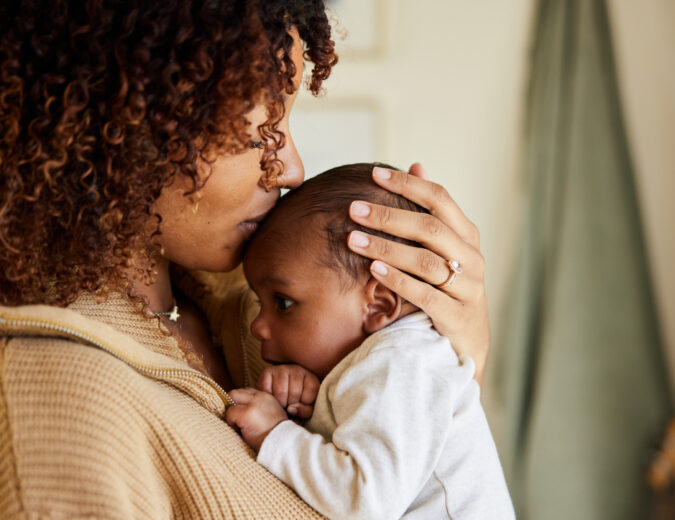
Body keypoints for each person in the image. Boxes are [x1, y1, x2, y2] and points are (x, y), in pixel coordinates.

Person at [0, 1, 491, 518]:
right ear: (118, 124)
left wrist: (459, 347)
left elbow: (420, 481)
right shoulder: (53, 416)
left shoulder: (277, 297)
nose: (291, 168)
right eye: (257, 133)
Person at [225, 163, 515, 520]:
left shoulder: (401, 362)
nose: (257, 327)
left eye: (283, 303)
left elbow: (365, 501)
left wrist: (276, 433)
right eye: (259, 302)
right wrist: (314, 410)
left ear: (379, 304)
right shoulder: (389, 359)